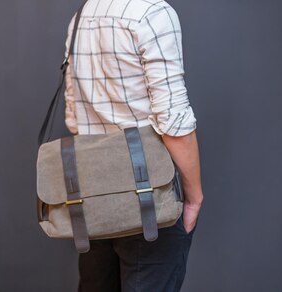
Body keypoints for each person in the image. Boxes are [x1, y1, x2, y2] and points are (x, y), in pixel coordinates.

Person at [62, 0, 203, 291]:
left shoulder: (82, 15)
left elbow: (73, 118)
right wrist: (194, 197)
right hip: (149, 197)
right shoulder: (153, 13)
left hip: (92, 197)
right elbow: (174, 122)